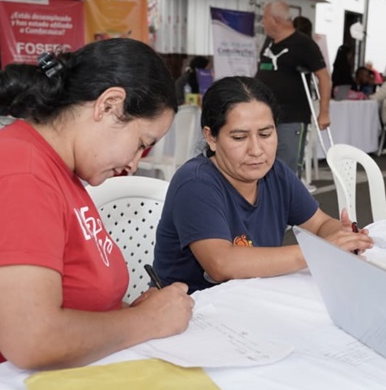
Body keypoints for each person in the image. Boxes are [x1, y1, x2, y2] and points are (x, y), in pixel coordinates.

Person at [0, 38, 195, 390]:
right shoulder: (17, 172)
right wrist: (147, 320)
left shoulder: (57, 170)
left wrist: (129, 313)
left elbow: (74, 295)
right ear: (108, 105)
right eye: (142, 142)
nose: (134, 163)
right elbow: (33, 339)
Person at [152, 77, 372, 292]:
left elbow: (320, 224)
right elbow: (222, 264)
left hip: (253, 298)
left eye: (266, 134)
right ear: (211, 138)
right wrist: (319, 251)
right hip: (193, 313)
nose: (256, 150)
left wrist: (343, 236)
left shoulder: (275, 172)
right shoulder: (195, 183)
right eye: (239, 137)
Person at [255, 0, 331, 178]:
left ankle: (288, 204)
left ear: (275, 20)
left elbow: (324, 78)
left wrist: (324, 112)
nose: (262, 22)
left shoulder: (304, 44)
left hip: (291, 117)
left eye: (264, 18)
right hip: (264, 116)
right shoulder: (269, 42)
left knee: (287, 167)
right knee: (263, 164)